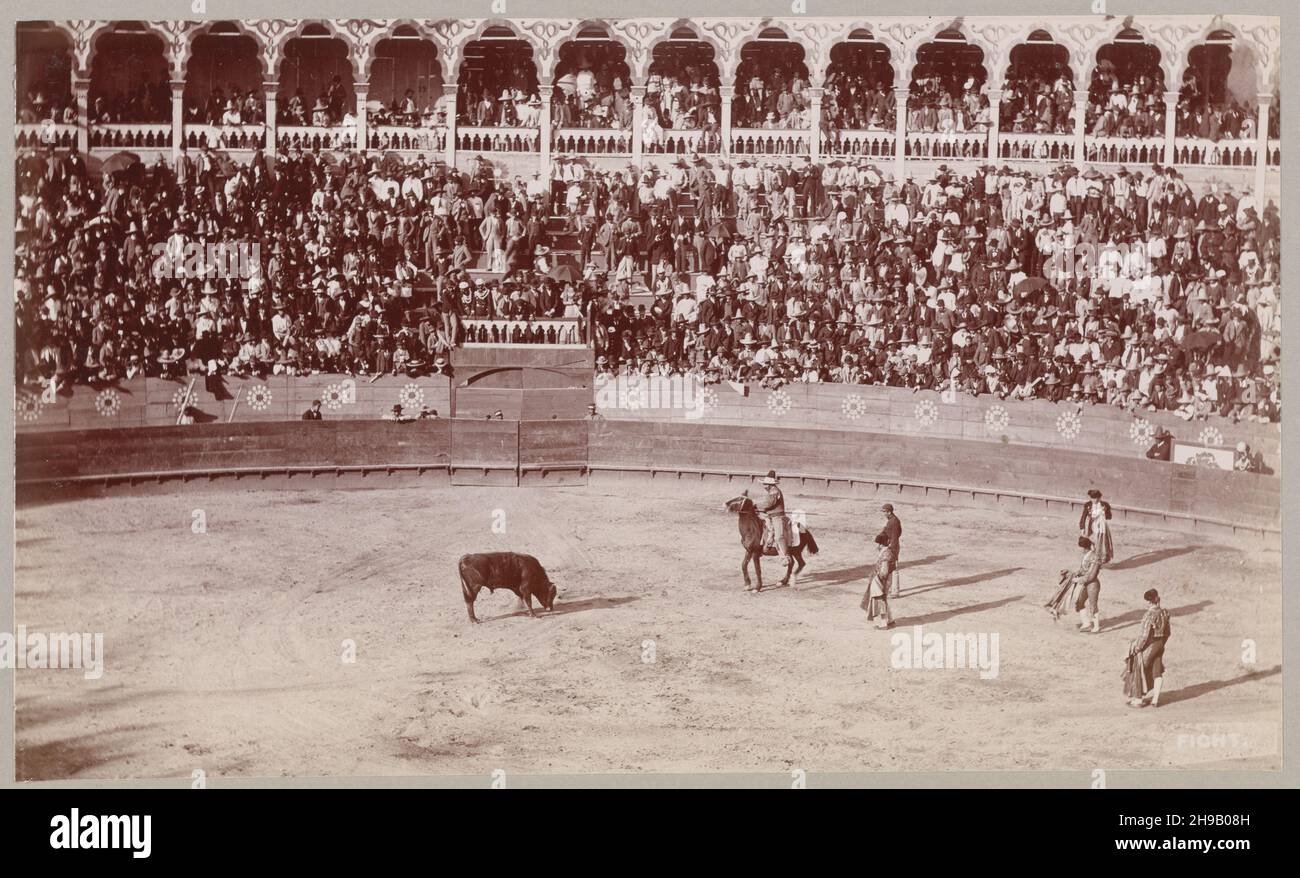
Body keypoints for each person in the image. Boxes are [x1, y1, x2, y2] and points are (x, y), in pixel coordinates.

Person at [1124, 588, 1171, 708]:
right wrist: (1161, 643)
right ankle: (1155, 700)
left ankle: (1138, 700)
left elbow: (1144, 635)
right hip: (1160, 644)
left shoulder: (1149, 615)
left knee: (1138, 667)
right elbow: (1168, 632)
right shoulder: (1165, 612)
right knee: (1157, 671)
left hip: (1150, 645)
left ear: (1149, 602)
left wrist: (1137, 647)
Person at [750, 469, 794, 588]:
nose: (764, 486)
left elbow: (768, 504)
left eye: (765, 484)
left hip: (778, 517)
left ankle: (785, 557)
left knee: (779, 536)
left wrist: (755, 505)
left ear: (770, 484)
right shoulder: (770, 491)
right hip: (769, 516)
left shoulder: (775, 491)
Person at [860, 532, 895, 629]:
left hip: (881, 580)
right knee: (883, 599)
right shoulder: (886, 552)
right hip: (882, 579)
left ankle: (883, 623)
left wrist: (878, 579)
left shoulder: (886, 553)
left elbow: (884, 571)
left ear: (882, 544)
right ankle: (890, 620)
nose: (878, 545)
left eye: (879, 543)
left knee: (880, 600)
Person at [1071, 535, 1104, 633]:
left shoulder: (1095, 557)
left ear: (1085, 547)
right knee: (1079, 602)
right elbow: (1083, 569)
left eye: (1083, 548)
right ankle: (1087, 624)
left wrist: (1078, 580)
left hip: (1093, 584)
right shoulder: (1087, 555)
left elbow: (1092, 575)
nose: (1082, 550)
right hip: (1086, 583)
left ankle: (1096, 627)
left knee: (1093, 605)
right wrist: (1075, 573)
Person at [1078, 489, 1114, 564]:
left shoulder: (1105, 505)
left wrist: (1104, 513)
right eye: (1093, 498)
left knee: (1102, 543)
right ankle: (1089, 560)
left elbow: (1109, 517)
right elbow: (1083, 517)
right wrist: (1082, 527)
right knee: (1091, 543)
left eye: (1096, 498)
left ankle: (1101, 560)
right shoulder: (1088, 505)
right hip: (1091, 527)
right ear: (1090, 498)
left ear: (1099, 498)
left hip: (1102, 527)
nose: (1094, 500)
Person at [876, 503, 902, 595]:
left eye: (884, 512)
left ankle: (894, 591)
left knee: (890, 568)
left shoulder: (894, 521)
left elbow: (895, 536)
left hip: (891, 548)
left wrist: (891, 548)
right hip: (889, 546)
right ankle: (891, 589)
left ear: (889, 512)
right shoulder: (892, 520)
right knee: (889, 568)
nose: (883, 514)